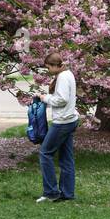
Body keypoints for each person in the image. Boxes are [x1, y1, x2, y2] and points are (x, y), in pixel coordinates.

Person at [34, 53, 79, 202]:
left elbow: (62, 99)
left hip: (63, 122)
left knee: (45, 153)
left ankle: (51, 192)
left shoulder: (63, 77)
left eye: (48, 67)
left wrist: (44, 98)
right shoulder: (67, 74)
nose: (48, 70)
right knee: (66, 158)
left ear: (55, 65)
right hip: (70, 119)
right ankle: (67, 194)